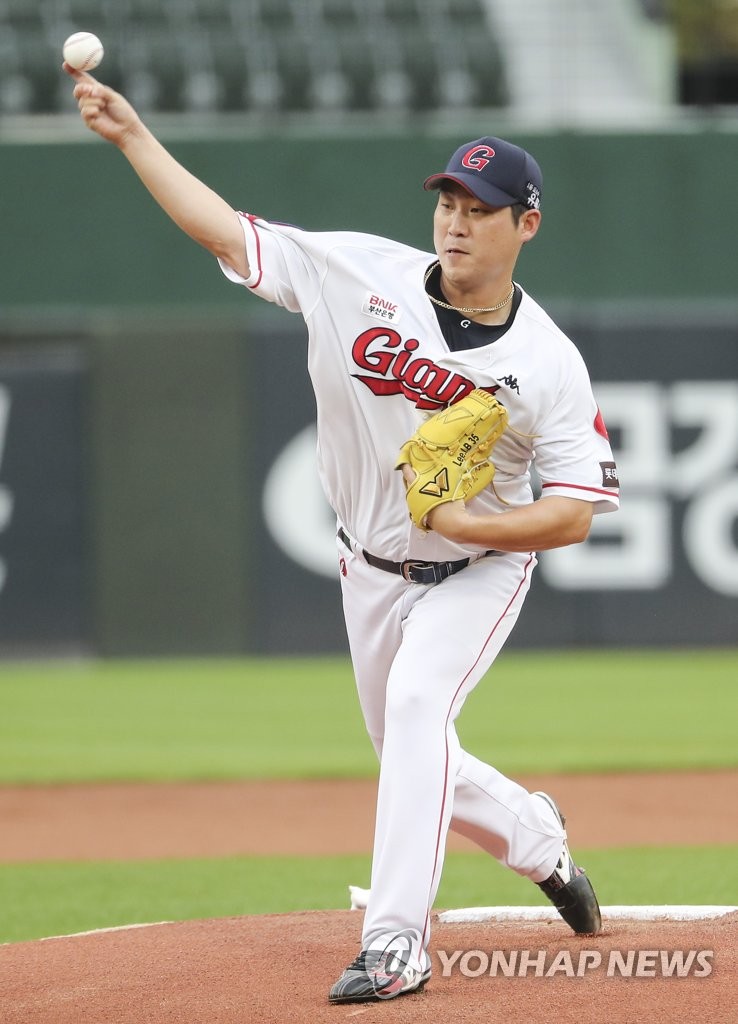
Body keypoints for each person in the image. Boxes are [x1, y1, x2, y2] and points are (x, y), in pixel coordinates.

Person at [65, 65, 620, 1005]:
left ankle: (397, 942)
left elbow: (573, 510)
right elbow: (225, 229)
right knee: (411, 743)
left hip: (481, 567)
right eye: (447, 197)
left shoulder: (549, 364)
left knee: (415, 714)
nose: (454, 218)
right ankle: (535, 836)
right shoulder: (354, 271)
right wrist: (131, 138)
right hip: (367, 566)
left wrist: (475, 520)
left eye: (480, 207)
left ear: (525, 224)